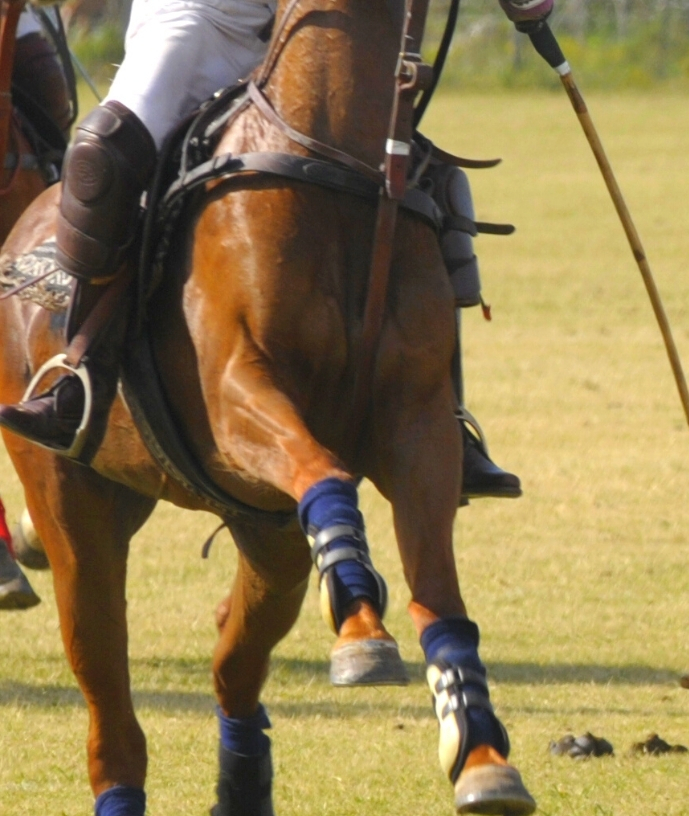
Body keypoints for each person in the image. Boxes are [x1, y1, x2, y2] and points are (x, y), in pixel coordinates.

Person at [0, 0, 528, 500]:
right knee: (103, 152)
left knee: (427, 177)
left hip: (314, 25)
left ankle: (448, 414)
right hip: (197, 21)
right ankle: (79, 373)